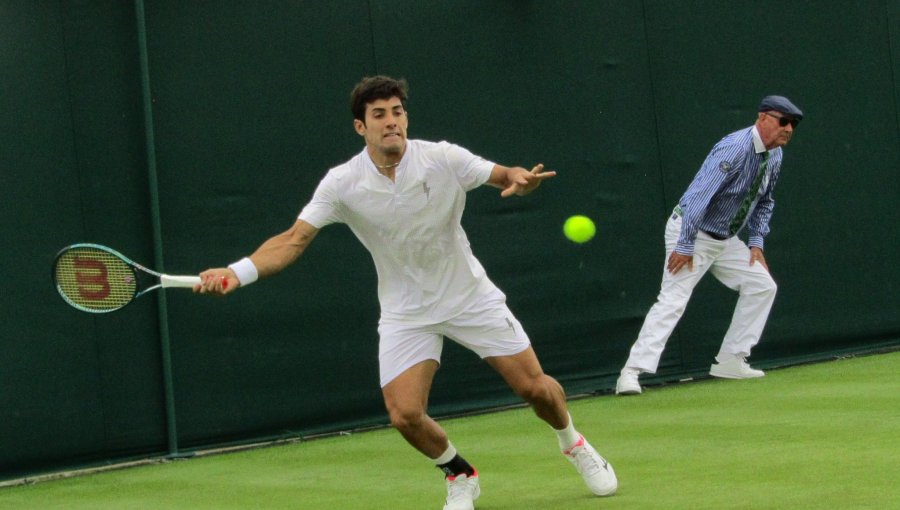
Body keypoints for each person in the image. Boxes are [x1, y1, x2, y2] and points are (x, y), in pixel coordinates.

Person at [195, 76, 617, 509]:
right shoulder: (342, 182)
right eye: (379, 114)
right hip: (406, 312)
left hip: (470, 296)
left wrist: (518, 178)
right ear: (361, 127)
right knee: (404, 415)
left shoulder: (442, 157)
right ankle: (460, 474)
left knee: (536, 391)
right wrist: (236, 272)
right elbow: (292, 239)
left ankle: (572, 442)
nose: (391, 121)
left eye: (397, 112)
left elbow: (500, 174)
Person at [615, 95, 803, 396]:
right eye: (783, 121)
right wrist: (686, 243)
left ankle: (731, 359)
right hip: (691, 231)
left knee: (762, 285)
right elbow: (698, 196)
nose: (789, 129)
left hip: (725, 240)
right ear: (763, 118)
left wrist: (756, 243)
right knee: (673, 300)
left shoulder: (775, 155)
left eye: (793, 124)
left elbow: (765, 200)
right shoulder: (735, 148)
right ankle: (631, 372)